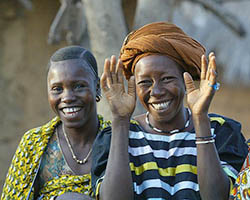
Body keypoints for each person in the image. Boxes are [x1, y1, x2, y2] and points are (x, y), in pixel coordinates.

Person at [91, 22, 248, 200]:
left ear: (185, 79)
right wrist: (120, 120)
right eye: (145, 82)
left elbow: (217, 197)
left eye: (166, 79)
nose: (156, 91)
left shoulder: (221, 132)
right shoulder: (115, 137)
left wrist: (200, 118)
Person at [1, 46, 111, 200]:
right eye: (57, 89)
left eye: (79, 86)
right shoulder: (34, 144)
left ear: (97, 88)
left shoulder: (116, 141)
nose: (67, 97)